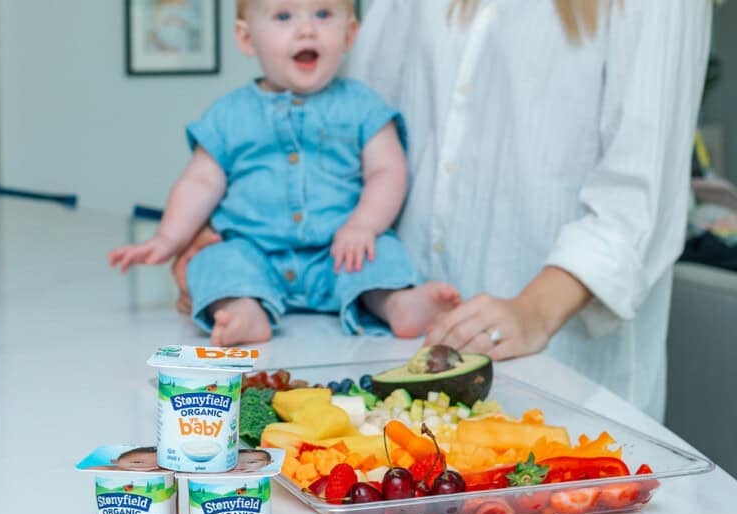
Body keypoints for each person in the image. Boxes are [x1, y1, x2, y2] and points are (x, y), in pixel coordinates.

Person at [173, 0, 712, 421]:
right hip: (410, 343)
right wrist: (230, 246)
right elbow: (346, 130)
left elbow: (640, 193)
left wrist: (534, 310)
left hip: (565, 362)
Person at [109, 0, 460, 346]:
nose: (306, 29)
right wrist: (168, 238)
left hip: (338, 252)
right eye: (283, 16)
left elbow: (387, 172)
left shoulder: (362, 105)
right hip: (253, 252)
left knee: (380, 252)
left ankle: (397, 303)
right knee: (214, 260)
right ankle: (243, 309)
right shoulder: (230, 113)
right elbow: (199, 182)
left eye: (323, 14)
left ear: (350, 33)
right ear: (247, 39)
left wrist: (363, 225)